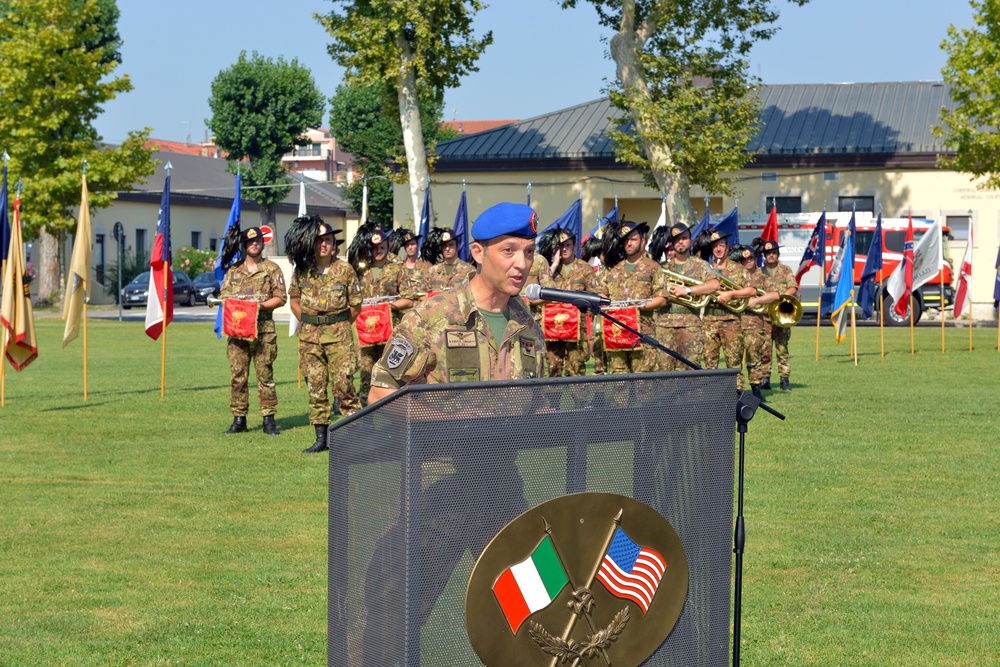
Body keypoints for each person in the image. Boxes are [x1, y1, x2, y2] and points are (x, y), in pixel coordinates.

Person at [363, 202, 544, 666]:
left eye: (527, 251)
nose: (522, 263)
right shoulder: (434, 316)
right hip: (437, 490)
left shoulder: (528, 325)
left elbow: (536, 401)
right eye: (509, 251)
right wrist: (451, 421)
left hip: (501, 485)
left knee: (538, 601)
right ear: (478, 253)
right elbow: (381, 393)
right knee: (397, 609)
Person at [285, 215, 363, 454]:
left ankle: (355, 438)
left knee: (344, 386)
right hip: (310, 338)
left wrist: (335, 324)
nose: (323, 245)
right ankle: (321, 438)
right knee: (316, 387)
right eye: (319, 241)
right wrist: (311, 323)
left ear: (334, 243)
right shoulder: (303, 270)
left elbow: (355, 306)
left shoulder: (345, 269)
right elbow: (294, 301)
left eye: (328, 240)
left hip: (339, 337)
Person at [219, 226, 288, 435]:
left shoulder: (272, 269)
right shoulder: (234, 271)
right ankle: (239, 419)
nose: (254, 244)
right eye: (250, 241)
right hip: (238, 332)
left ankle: (268, 419)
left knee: (265, 375)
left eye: (257, 240)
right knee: (238, 376)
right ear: (244, 245)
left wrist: (260, 306)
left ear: (263, 243)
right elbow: (224, 296)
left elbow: (281, 297)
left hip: (263, 331)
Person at [348, 223, 416, 403]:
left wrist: (388, 308)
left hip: (390, 333)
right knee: (366, 376)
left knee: (392, 374)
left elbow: (408, 299)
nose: (379, 251)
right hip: (366, 334)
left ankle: (395, 415)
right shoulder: (360, 269)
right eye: (375, 248)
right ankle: (365, 417)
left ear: (388, 247)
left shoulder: (397, 268)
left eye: (382, 247)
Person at [595, 220, 668, 374]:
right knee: (619, 380)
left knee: (644, 383)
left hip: (643, 332)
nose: (629, 243)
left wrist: (640, 306)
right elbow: (601, 292)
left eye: (633, 239)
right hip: (616, 332)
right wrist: (606, 303)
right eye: (626, 240)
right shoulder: (612, 268)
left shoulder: (653, 267)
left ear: (642, 241)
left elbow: (662, 298)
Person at [650, 223, 719, 371]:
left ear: (691, 241)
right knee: (663, 368)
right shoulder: (661, 267)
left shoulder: (700, 265)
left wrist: (687, 290)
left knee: (689, 370)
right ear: (672, 243)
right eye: (677, 239)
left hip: (690, 325)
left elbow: (714, 285)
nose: (680, 241)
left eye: (684, 238)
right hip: (663, 325)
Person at [696, 229, 756, 388]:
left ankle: (738, 396)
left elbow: (752, 290)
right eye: (715, 246)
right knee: (709, 362)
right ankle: (711, 397)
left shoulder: (738, 269)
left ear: (727, 248)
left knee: (733, 362)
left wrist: (731, 294)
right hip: (709, 320)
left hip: (731, 321)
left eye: (721, 245)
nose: (718, 249)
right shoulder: (705, 268)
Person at [539, 226, 594, 376]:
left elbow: (595, 293)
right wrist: (554, 264)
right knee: (553, 368)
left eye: (567, 245)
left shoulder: (585, 268)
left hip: (576, 330)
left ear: (575, 246)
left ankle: (579, 401)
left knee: (575, 369)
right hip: (553, 328)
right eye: (560, 246)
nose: (564, 249)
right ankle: (554, 400)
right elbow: (541, 288)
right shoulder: (550, 269)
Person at [734, 244, 778, 400]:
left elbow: (775, 295)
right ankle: (738, 390)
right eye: (745, 260)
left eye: (751, 258)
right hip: (736, 322)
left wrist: (757, 300)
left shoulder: (762, 276)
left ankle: (756, 389)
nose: (749, 262)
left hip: (754, 323)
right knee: (735, 358)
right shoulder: (735, 276)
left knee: (755, 358)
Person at [758, 239, 798, 391]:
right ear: (764, 256)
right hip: (765, 318)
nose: (771, 256)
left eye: (773, 253)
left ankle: (784, 379)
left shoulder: (785, 270)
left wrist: (779, 301)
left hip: (782, 317)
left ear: (778, 255)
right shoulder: (759, 273)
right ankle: (765, 379)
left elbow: (793, 288)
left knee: (782, 349)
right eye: (768, 253)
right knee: (765, 350)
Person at [421, 227, 473, 294]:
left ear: (458, 246)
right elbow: (422, 294)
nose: (447, 248)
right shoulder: (432, 271)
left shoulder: (469, 271)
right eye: (444, 246)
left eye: (451, 245)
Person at [389, 227, 430, 296]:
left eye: (412, 244)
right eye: (407, 245)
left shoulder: (426, 266)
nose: (410, 247)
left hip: (420, 304)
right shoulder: (398, 267)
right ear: (404, 248)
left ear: (417, 245)